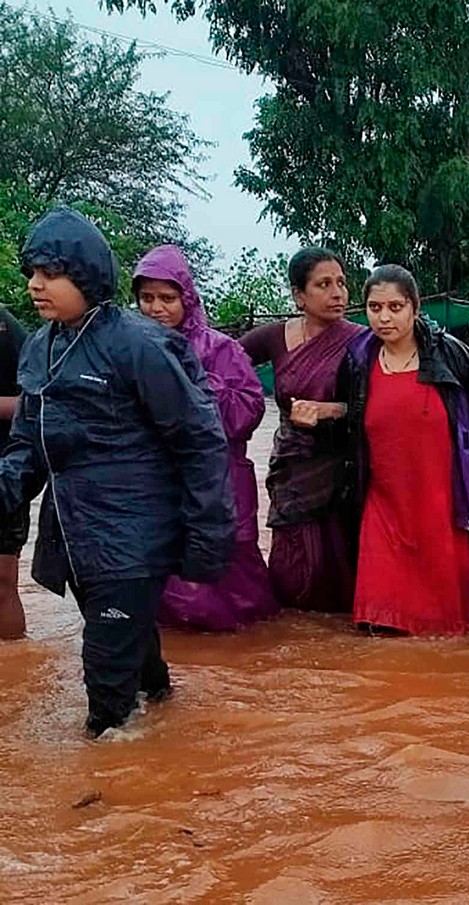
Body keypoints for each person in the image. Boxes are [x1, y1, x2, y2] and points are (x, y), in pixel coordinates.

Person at [1, 208, 233, 738]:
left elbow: (200, 441)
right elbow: (28, 447)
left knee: (105, 692)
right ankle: (168, 716)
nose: (36, 286)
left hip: (132, 536)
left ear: (85, 275)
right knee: (134, 653)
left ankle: (116, 783)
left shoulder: (141, 345)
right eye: (32, 273)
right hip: (75, 537)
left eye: (49, 273)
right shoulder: (42, 346)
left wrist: (208, 536)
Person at [338, 265, 469, 635]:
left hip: (444, 505)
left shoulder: (454, 357)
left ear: (415, 307)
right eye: (375, 308)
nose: (384, 317)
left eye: (395, 306)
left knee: (446, 630)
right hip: (383, 505)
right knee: (379, 621)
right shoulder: (357, 361)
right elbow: (348, 427)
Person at [135, 245, 277, 631]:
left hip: (222, 480)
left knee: (239, 585)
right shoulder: (129, 350)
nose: (156, 308)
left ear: (187, 297)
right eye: (146, 298)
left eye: (167, 298)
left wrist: (192, 382)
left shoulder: (221, 349)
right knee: (167, 580)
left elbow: (249, 412)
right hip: (156, 483)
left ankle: (250, 661)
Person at [241, 248, 366, 613]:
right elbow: (221, 365)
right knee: (293, 573)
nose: (338, 293)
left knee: (340, 566)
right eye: (323, 285)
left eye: (341, 283)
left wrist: (331, 410)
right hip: (292, 470)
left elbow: (377, 404)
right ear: (299, 295)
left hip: (341, 471)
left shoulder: (362, 341)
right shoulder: (273, 338)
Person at [0, 306, 29, 640]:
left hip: (8, 466)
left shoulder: (6, 330)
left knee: (2, 582)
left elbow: (39, 401)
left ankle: (14, 667)